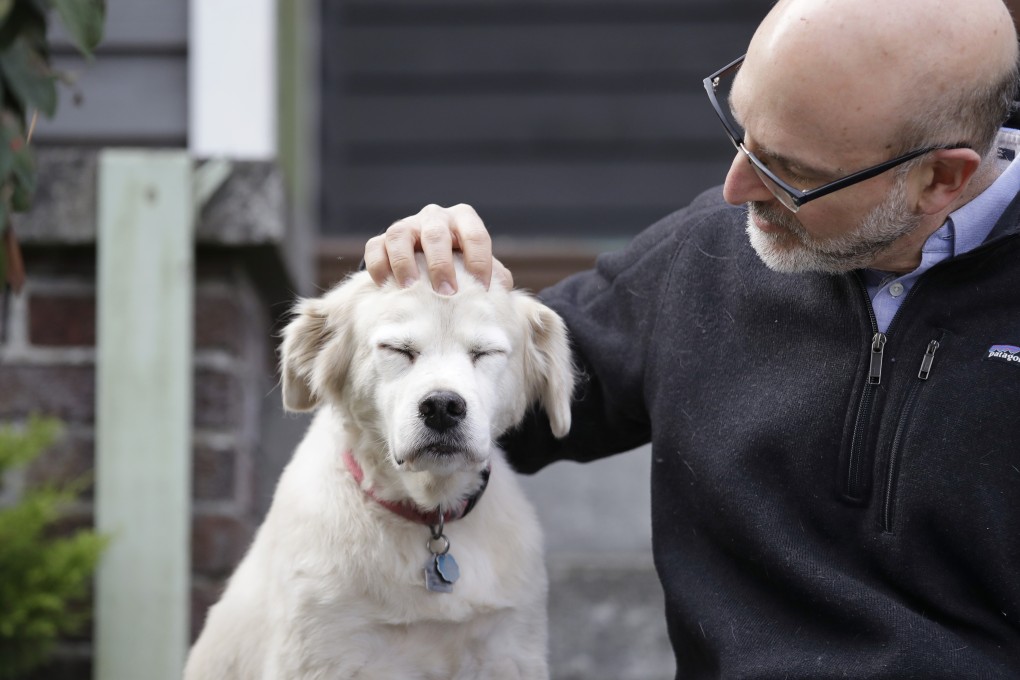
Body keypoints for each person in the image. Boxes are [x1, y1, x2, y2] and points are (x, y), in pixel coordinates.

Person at [363, 0, 1020, 675]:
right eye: (741, 133)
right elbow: (506, 401)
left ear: (941, 178)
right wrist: (437, 305)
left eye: (791, 171)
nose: (736, 190)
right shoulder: (703, 251)